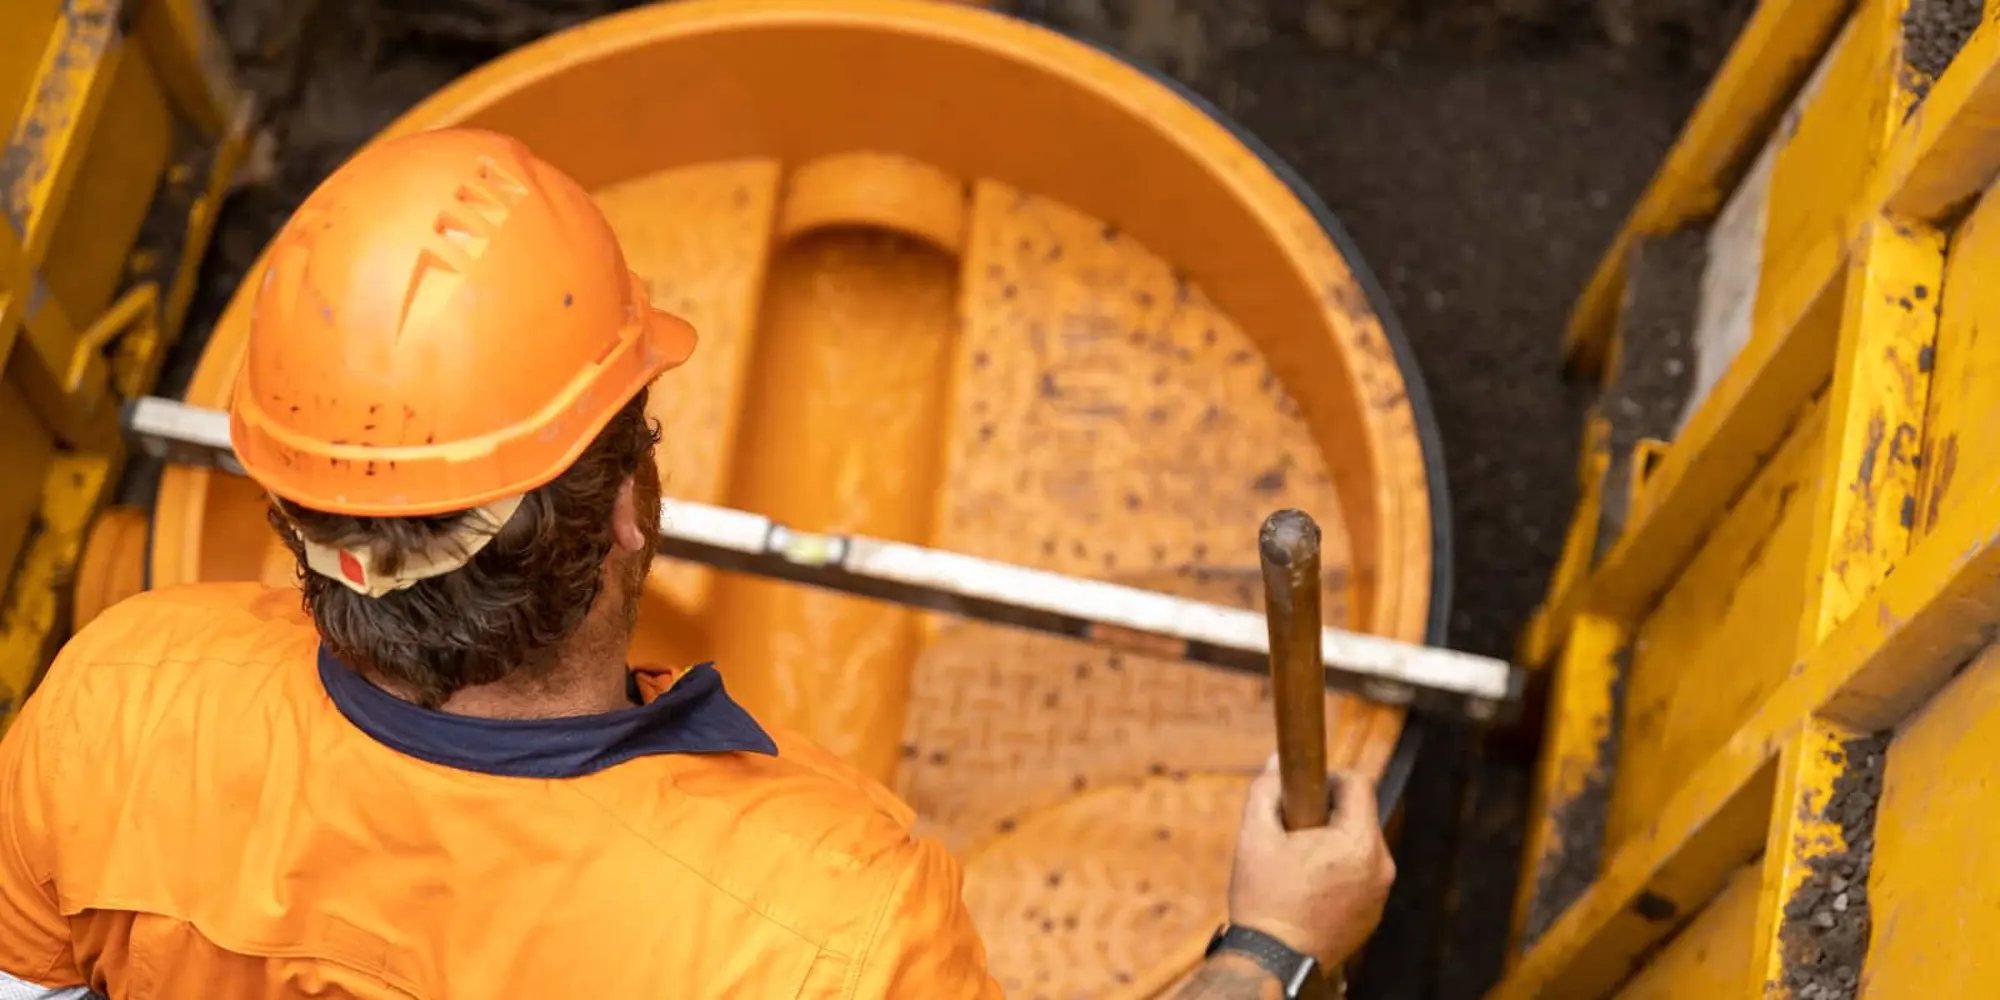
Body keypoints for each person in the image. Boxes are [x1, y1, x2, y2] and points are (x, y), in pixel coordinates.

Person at [0, 128, 1392, 999]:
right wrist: (1270, 947)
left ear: (300, 517)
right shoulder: (826, 932)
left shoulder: (121, 699)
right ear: (622, 517)